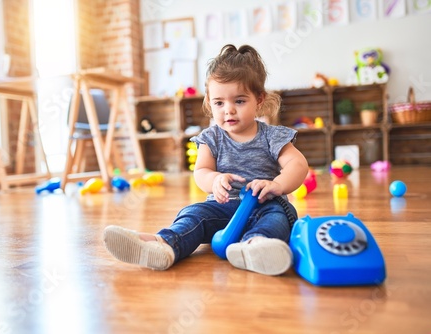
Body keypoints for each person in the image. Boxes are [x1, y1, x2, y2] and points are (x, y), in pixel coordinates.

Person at [104, 44, 309, 275]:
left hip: (265, 205)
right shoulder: (211, 138)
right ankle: (162, 245)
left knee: (277, 219)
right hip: (221, 207)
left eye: (239, 101)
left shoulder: (273, 136)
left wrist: (277, 185)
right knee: (194, 214)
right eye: (219, 103)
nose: (228, 110)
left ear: (259, 100)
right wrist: (215, 181)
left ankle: (256, 247)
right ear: (210, 102)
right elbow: (201, 170)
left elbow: (297, 164)